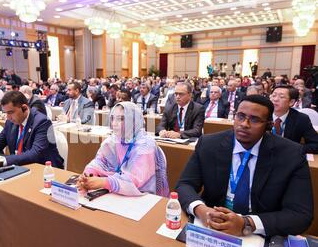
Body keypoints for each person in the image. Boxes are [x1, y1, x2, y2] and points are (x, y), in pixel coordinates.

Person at [175, 95, 313, 237]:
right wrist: (202, 210)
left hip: (259, 231)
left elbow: (300, 214)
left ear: (269, 125)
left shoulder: (291, 154)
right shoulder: (209, 144)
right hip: (212, 225)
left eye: (254, 119)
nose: (244, 124)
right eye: (240, 116)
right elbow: (184, 185)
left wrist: (247, 223)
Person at [77, 102, 169, 197]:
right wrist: (87, 177)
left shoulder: (145, 145)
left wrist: (104, 182)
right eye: (112, 118)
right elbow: (99, 161)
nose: (114, 124)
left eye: (121, 119)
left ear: (134, 121)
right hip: (115, 191)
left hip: (141, 195)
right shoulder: (113, 140)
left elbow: (134, 180)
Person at [0, 91, 63, 168]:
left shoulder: (42, 122)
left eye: (10, 112)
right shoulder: (10, 122)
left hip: (44, 169)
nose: (8, 117)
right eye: (6, 113)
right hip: (20, 166)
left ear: (24, 108)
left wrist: (3, 161)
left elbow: (35, 153)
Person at [270, 85, 318, 154]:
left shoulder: (301, 119)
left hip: (288, 158)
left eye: (281, 97)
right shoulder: (262, 115)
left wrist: (293, 149)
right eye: (273, 96)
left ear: (291, 102)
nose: (275, 99)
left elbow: (315, 145)